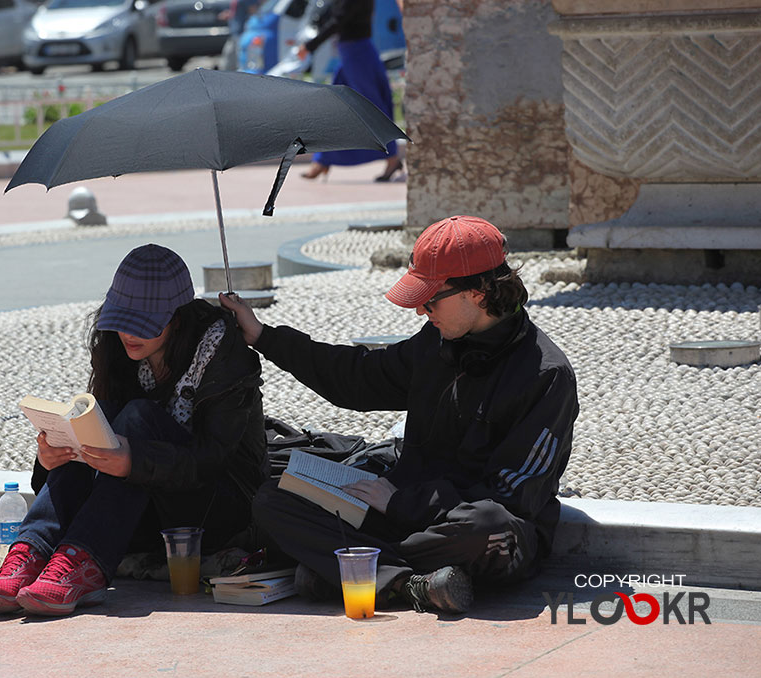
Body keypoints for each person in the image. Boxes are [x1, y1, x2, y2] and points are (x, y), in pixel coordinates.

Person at [219, 216, 579, 614]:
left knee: (490, 528)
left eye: (431, 299)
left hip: (463, 527)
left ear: (478, 292)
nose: (421, 311)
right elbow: (355, 377)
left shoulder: (547, 376)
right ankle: (409, 584)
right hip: (402, 511)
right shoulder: (436, 342)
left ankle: (351, 567)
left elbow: (513, 497)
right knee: (272, 500)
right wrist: (264, 336)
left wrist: (404, 503)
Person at [0, 244, 268, 617]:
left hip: (216, 511)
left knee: (135, 419)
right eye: (123, 320)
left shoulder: (223, 354)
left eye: (143, 323)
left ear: (176, 318)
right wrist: (49, 458)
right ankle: (32, 551)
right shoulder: (118, 354)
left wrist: (135, 460)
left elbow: (213, 460)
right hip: (144, 512)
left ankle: (82, 562)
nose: (128, 333)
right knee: (91, 421)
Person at [298, 0, 402, 183]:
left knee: (370, 109)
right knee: (336, 108)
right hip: (351, 53)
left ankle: (392, 158)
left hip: (357, 54)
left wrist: (310, 46)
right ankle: (323, 161)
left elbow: (339, 20)